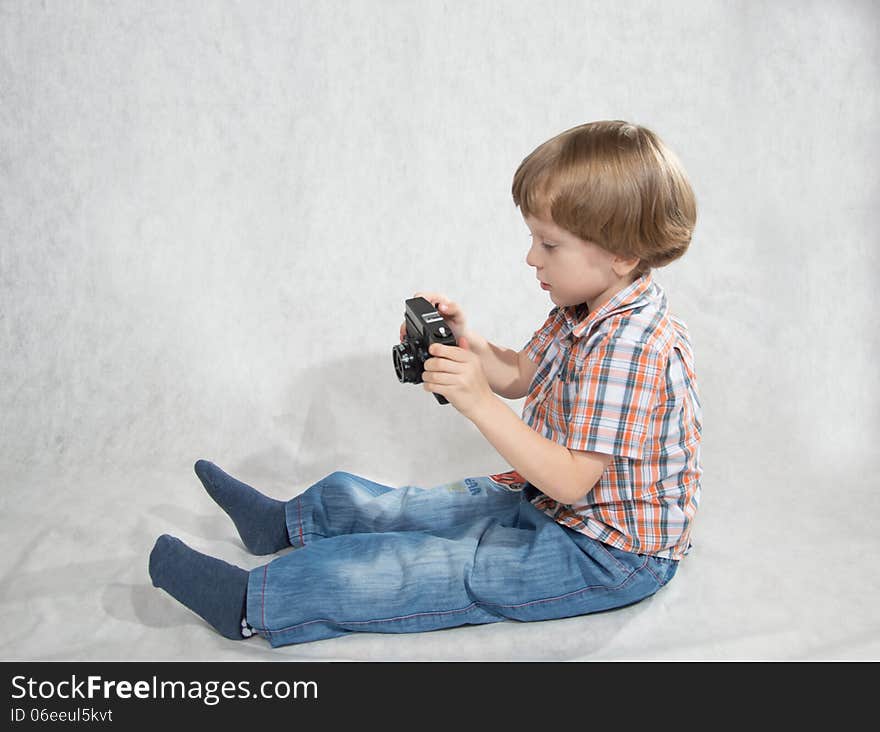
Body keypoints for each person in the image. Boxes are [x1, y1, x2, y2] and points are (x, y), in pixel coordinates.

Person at [149, 120, 702, 648]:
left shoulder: (632, 347)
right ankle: (283, 522)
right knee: (411, 508)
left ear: (622, 254)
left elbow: (572, 481)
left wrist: (477, 403)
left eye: (549, 244)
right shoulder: (582, 306)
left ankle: (254, 603)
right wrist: (469, 345)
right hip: (550, 500)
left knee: (441, 566)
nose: (530, 257)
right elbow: (521, 375)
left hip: (608, 552)